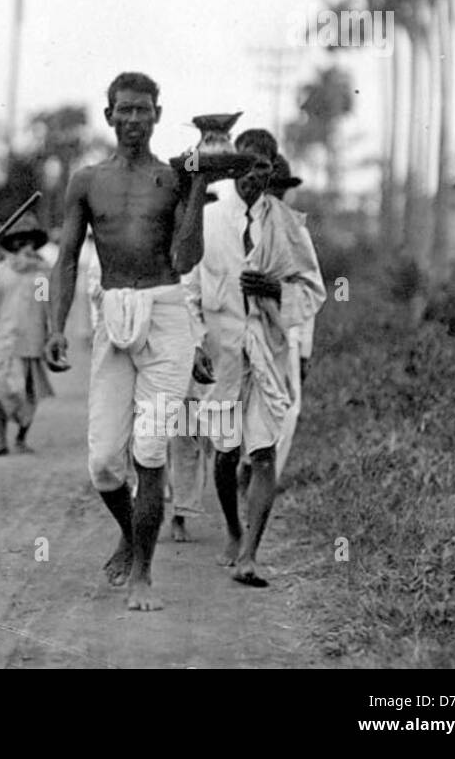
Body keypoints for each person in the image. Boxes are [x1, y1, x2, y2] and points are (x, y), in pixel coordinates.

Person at [45, 72, 213, 611]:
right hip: (113, 313)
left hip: (165, 312)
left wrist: (194, 190)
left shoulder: (172, 179)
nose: (134, 118)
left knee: (149, 449)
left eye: (144, 109)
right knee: (103, 464)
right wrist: (54, 328)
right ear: (109, 115)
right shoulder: (86, 181)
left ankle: (143, 572)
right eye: (125, 109)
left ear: (158, 114)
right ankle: (130, 531)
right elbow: (67, 260)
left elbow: (187, 260)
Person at [184, 130, 324, 587]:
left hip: (267, 349)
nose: (253, 177)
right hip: (222, 351)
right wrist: (196, 343)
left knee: (263, 452)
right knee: (225, 454)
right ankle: (232, 527)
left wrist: (275, 290)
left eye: (262, 167)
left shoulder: (288, 224)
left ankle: (249, 555)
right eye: (243, 167)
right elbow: (187, 291)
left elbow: (312, 290)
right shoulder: (206, 220)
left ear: (272, 169)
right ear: (230, 169)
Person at [0, 212, 55, 455]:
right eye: (19, 242)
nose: (25, 247)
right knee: (0, 394)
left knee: (29, 398)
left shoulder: (40, 276)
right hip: (4, 345)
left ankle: (21, 438)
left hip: (32, 345)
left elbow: (46, 306)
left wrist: (51, 335)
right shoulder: (0, 272)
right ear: (11, 245)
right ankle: (1, 440)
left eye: (29, 242)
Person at [267, 154, 316, 479]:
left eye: (281, 190)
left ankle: (262, 473)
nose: (277, 197)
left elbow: (309, 294)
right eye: (272, 189)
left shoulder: (297, 233)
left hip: (288, 331)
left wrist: (305, 351)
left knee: (288, 408)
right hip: (243, 328)